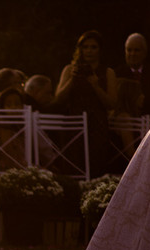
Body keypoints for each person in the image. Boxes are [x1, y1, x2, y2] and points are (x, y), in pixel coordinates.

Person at [54, 30, 116, 174]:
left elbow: (112, 103)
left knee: (96, 164)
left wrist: (95, 86)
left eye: (93, 47)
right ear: (80, 49)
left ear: (100, 50)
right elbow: (58, 98)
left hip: (97, 124)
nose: (89, 51)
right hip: (73, 122)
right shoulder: (70, 70)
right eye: (85, 47)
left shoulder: (108, 72)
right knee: (73, 165)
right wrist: (72, 80)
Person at [116, 33, 150, 116]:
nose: (132, 54)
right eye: (129, 50)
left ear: (144, 52)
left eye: (136, 50)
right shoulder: (117, 74)